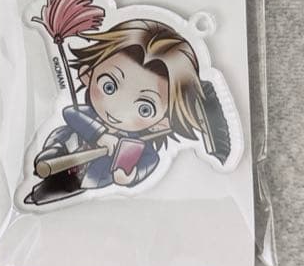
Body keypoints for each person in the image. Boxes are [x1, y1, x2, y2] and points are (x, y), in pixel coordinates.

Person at [24, 18, 231, 206]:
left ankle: (37, 196)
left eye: (144, 108)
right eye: (109, 87)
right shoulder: (85, 114)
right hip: (65, 150)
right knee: (59, 140)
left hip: (90, 179)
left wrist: (130, 176)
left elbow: (150, 162)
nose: (117, 109)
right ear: (87, 74)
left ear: (163, 123)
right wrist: (100, 135)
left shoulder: (141, 148)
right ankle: (48, 159)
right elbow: (71, 114)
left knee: (51, 193)